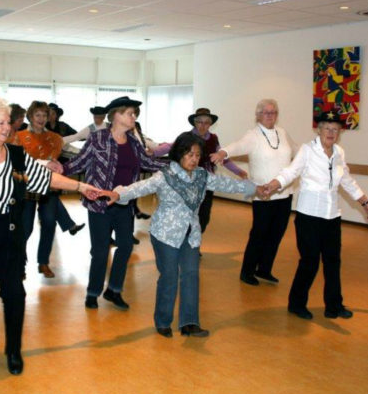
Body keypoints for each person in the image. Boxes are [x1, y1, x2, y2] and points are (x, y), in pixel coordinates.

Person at [0, 97, 102, 375]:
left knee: (14, 294)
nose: (7, 128)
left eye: (7, 123)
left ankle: (13, 351)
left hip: (8, 233)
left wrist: (81, 187)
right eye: (0, 123)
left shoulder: (17, 156)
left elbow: (47, 178)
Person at [105, 133, 262, 337]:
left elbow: (226, 184)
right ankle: (163, 321)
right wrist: (118, 193)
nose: (194, 159)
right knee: (170, 276)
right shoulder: (165, 175)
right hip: (165, 234)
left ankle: (189, 323)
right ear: (179, 154)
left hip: (191, 233)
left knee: (191, 275)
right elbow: (141, 187)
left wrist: (255, 188)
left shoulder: (202, 176)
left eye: (197, 155)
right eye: (189, 154)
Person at [263, 111, 368, 320]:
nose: (331, 133)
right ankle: (296, 304)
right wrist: (274, 184)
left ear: (339, 133)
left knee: (333, 261)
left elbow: (347, 180)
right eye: (327, 128)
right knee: (310, 261)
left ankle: (334, 306)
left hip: (332, 216)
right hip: (309, 216)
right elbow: (290, 172)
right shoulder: (308, 150)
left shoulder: (339, 153)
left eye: (335, 129)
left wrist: (365, 203)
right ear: (319, 130)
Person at [62, 96, 165, 310]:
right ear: (116, 115)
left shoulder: (134, 142)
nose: (134, 117)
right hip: (99, 203)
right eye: (130, 113)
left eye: (135, 114)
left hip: (124, 204)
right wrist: (60, 169)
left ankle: (114, 290)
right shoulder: (98, 138)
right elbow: (80, 162)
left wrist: (175, 165)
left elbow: (147, 162)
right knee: (100, 251)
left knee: (125, 246)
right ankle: (93, 293)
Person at [210, 99, 295, 286]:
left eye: (273, 112)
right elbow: (238, 145)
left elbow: (296, 151)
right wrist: (223, 153)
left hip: (285, 193)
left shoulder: (282, 133)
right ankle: (247, 271)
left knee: (276, 235)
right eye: (266, 112)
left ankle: (264, 269)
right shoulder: (253, 135)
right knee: (259, 234)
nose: (270, 115)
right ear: (258, 115)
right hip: (263, 194)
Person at [9, 101, 82, 279]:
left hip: (49, 187)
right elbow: (15, 161)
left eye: (44, 115)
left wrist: (92, 155)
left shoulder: (55, 138)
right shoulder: (18, 137)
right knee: (25, 228)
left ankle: (43, 263)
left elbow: (73, 153)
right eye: (38, 115)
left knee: (49, 223)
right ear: (30, 117)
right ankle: (19, 263)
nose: (41, 119)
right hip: (26, 188)